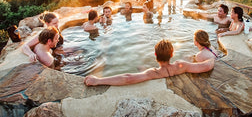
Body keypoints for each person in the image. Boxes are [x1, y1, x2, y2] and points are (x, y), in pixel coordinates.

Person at [84, 39, 215, 86]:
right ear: (172, 54)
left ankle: (141, 67)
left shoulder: (153, 73)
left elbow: (128, 78)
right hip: (175, 68)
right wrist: (212, 58)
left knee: (142, 68)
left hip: (156, 71)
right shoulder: (181, 66)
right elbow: (206, 66)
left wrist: (98, 81)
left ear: (155, 55)